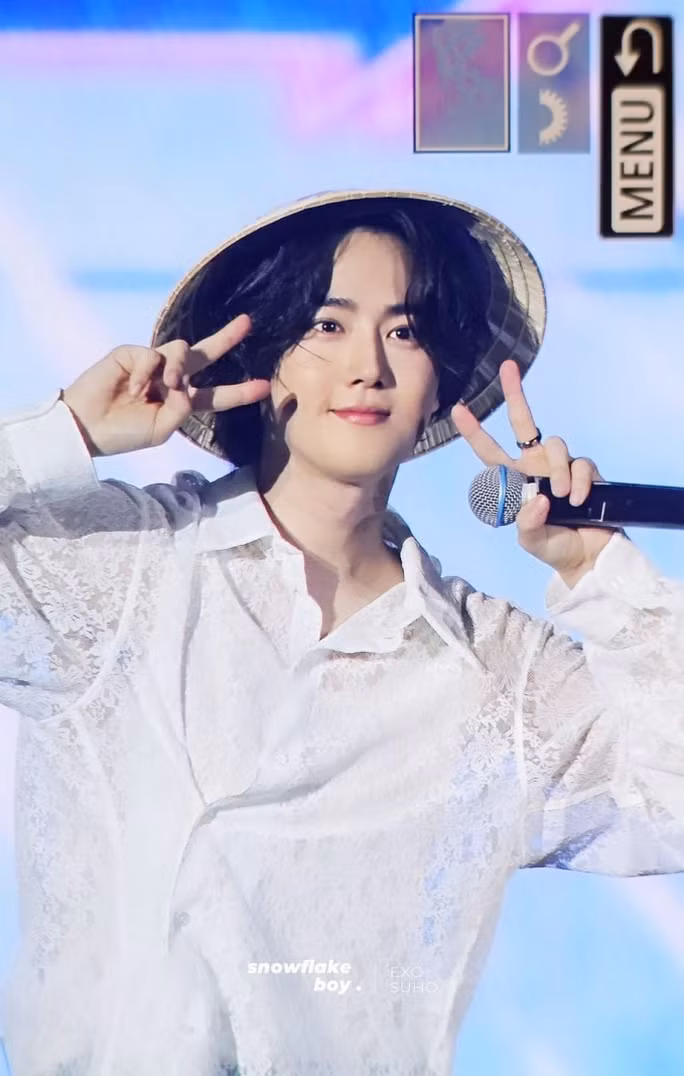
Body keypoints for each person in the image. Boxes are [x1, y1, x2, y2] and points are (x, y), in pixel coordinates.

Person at [0, 189, 682, 1076]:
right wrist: (66, 433)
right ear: (265, 357)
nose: (368, 367)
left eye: (406, 332)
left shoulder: (492, 672)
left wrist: (599, 572)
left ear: (441, 381)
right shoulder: (118, 566)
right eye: (327, 325)